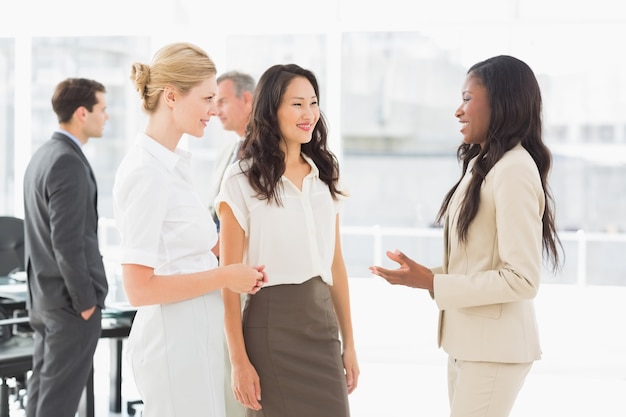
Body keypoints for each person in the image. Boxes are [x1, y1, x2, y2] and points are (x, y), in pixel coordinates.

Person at [369, 55, 562, 417]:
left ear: (501, 102)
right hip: (471, 345)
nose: (458, 111)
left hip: (494, 350)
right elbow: (479, 259)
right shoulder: (484, 164)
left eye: (468, 98)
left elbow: (522, 279)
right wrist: (426, 278)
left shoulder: (514, 170)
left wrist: (433, 282)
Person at [112, 42, 267, 417]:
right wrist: (225, 275)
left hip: (193, 341)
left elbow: (200, 248)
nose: (214, 110)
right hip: (173, 345)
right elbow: (138, 288)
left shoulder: (171, 168)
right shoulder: (146, 173)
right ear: (170, 96)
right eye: (207, 98)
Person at [216, 63, 360, 417]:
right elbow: (228, 280)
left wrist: (350, 344)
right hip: (270, 328)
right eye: (297, 104)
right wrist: (239, 361)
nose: (308, 113)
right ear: (271, 109)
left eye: (313, 103)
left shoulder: (326, 173)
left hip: (322, 324)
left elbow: (335, 263)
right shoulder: (241, 179)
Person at [23, 78, 110, 417]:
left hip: (45, 300)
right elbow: (67, 241)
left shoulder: (43, 155)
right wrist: (86, 303)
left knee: (44, 392)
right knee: (58, 402)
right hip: (69, 307)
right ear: (81, 113)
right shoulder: (67, 161)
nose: (107, 117)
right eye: (103, 109)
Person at [210, 71, 256, 417]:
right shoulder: (227, 152)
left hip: (249, 275)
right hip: (221, 275)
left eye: (222, 100)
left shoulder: (267, 155)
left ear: (247, 100)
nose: (216, 109)